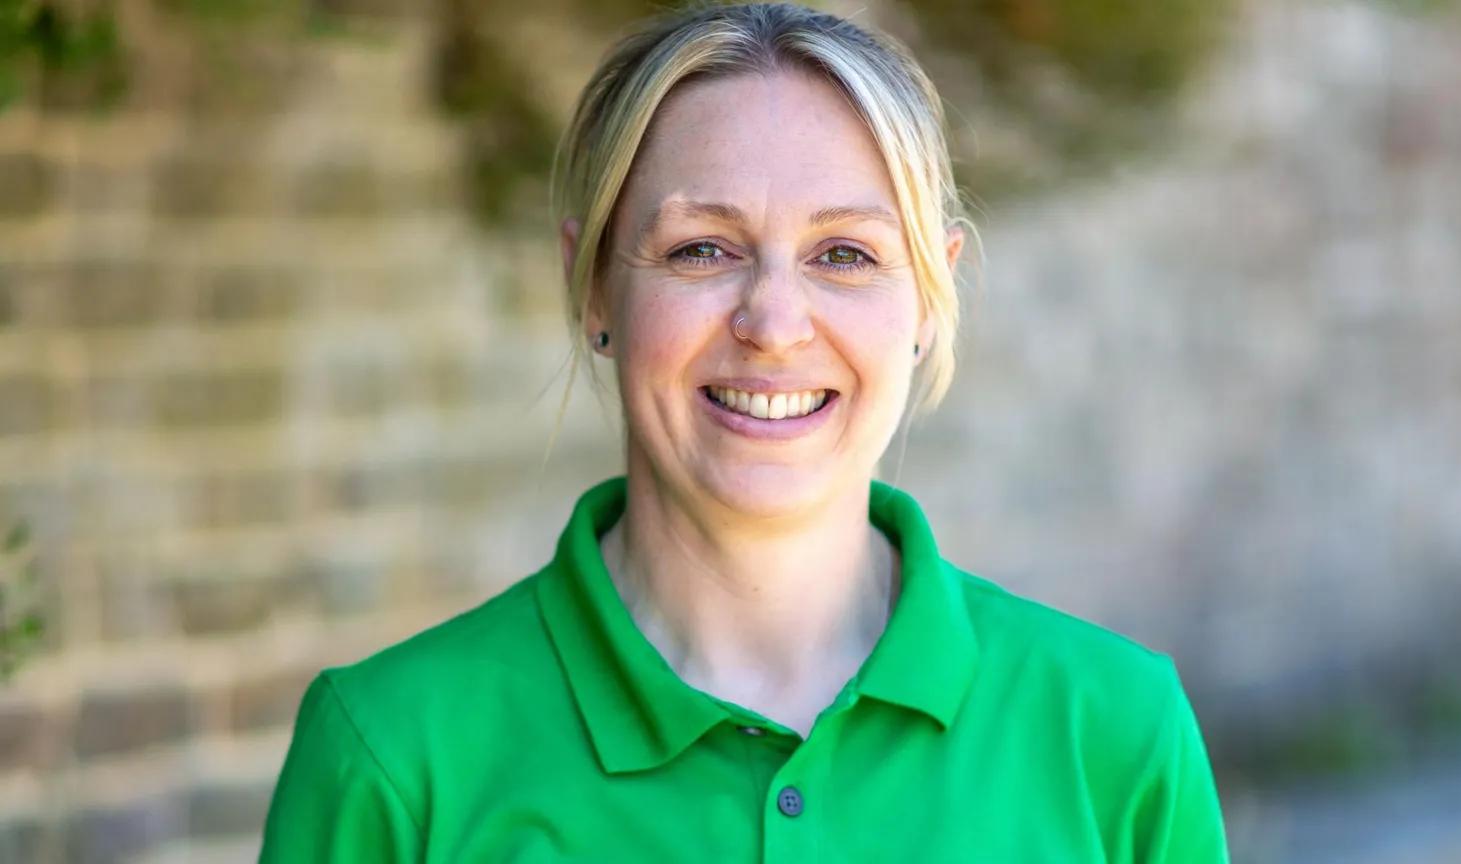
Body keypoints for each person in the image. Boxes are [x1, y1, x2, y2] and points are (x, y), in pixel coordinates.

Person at [258, 2, 1230, 861]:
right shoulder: (392, 759)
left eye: (844, 254)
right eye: (702, 249)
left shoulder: (1117, 737)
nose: (773, 323)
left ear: (931, 294)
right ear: (592, 283)